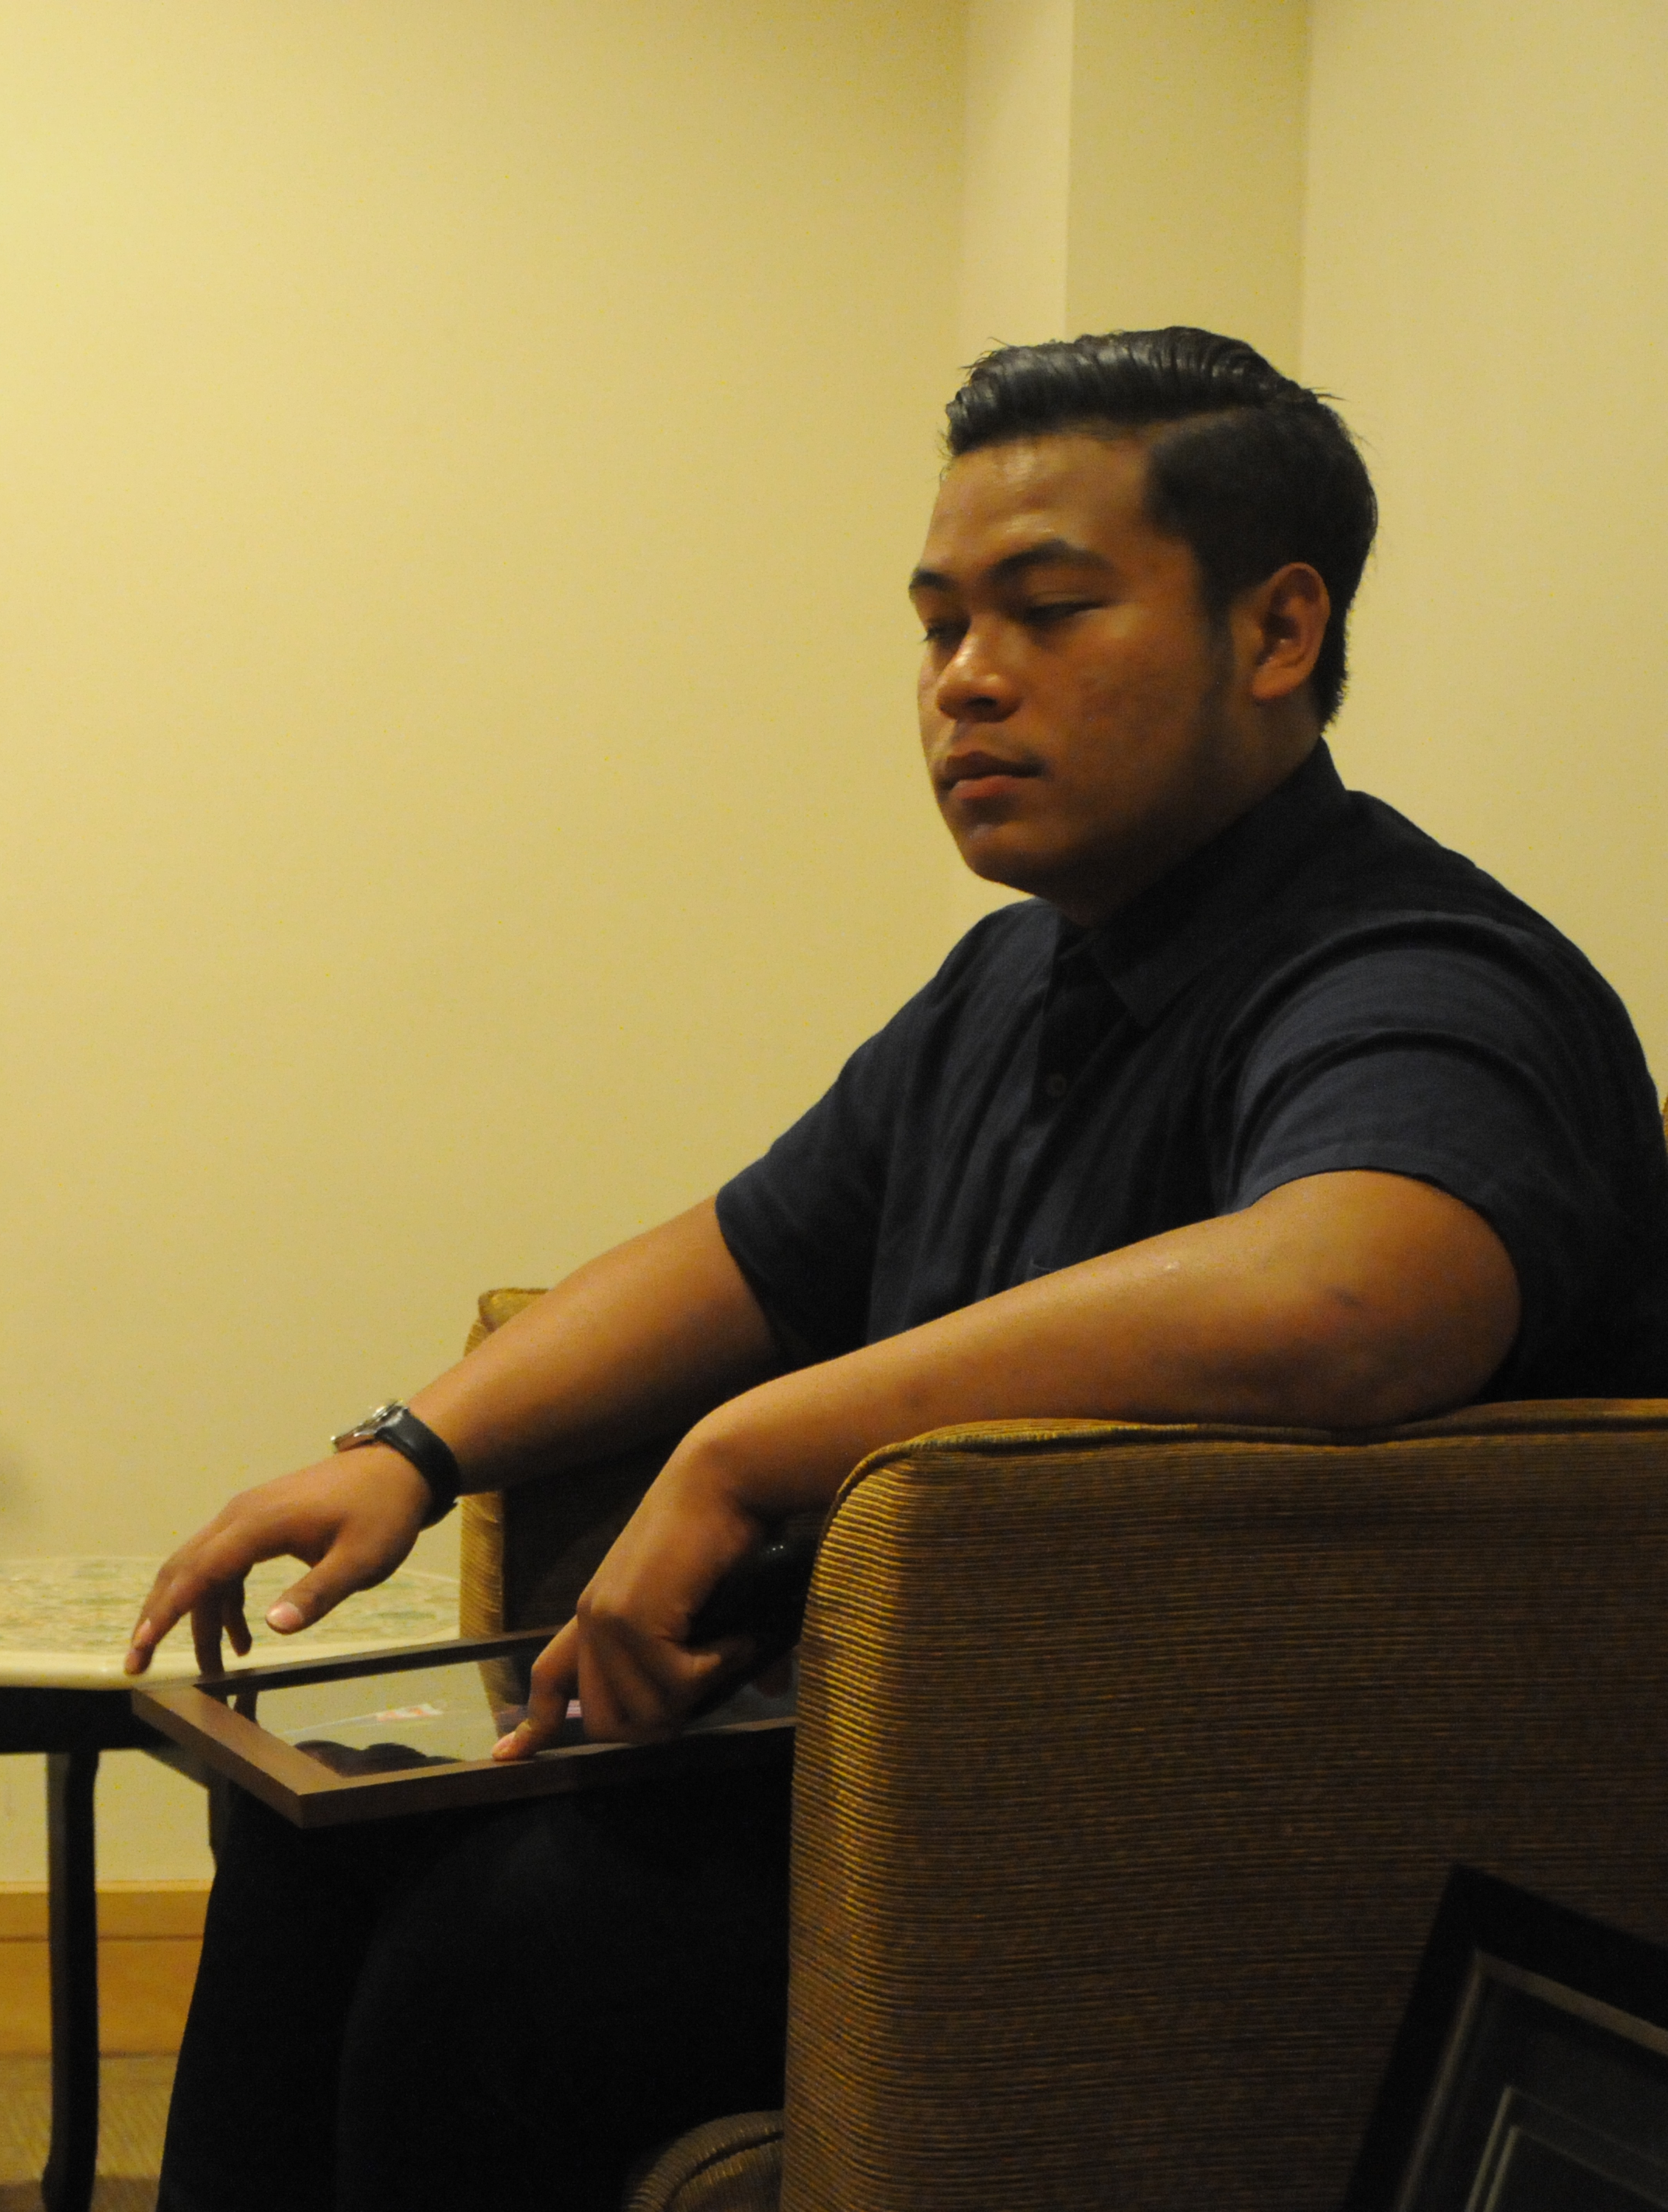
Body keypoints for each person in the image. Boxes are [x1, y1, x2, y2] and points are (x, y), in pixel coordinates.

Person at [124, 329, 1668, 2211]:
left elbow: (1354, 1290)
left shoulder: (1415, 968)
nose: (964, 680)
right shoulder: (1014, 971)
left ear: (1276, 632)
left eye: (1046, 611)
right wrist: (406, 1448)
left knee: (487, 1966)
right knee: (309, 1835)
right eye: (937, 625)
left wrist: (745, 1448)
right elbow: (745, 1245)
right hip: (911, 1772)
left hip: (1159, 1858)